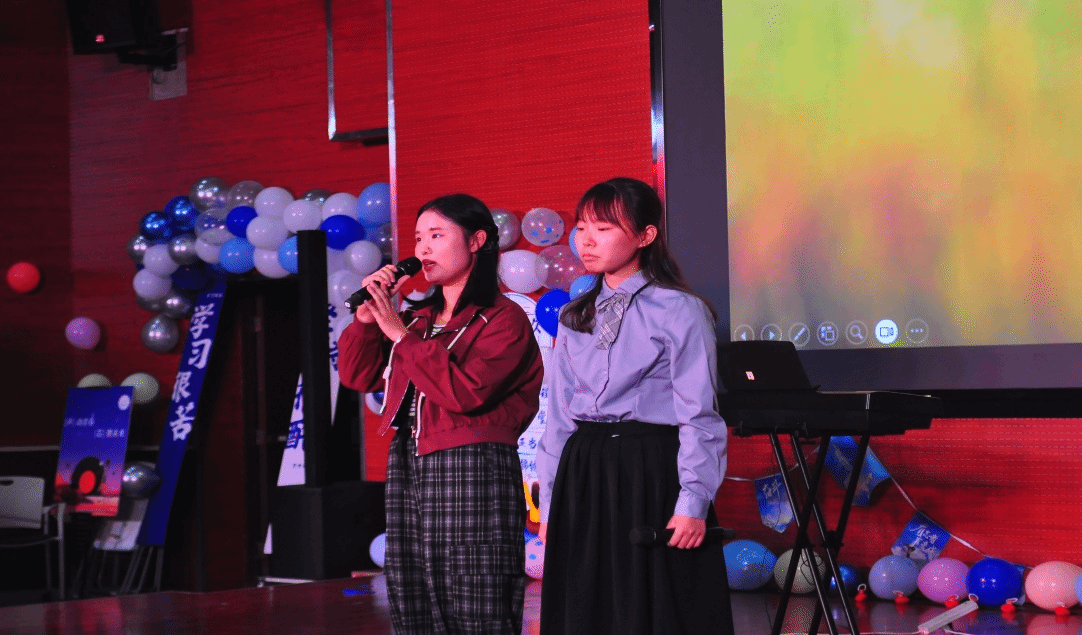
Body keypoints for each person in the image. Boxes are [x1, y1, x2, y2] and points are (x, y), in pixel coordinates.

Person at [338, 193, 545, 635]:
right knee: (412, 588)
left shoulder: (502, 318)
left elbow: (465, 392)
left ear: (476, 241)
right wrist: (367, 322)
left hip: (473, 463)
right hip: (408, 458)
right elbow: (358, 375)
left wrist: (400, 334)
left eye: (436, 235)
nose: (423, 249)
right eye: (418, 238)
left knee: (476, 593)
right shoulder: (418, 318)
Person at [536, 177, 732, 635]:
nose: (586, 240)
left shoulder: (680, 309)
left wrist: (693, 500)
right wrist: (550, 504)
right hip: (584, 470)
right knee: (587, 607)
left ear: (645, 236)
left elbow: (699, 413)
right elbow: (559, 418)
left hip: (649, 469)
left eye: (603, 228)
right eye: (582, 227)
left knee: (653, 606)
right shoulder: (574, 315)